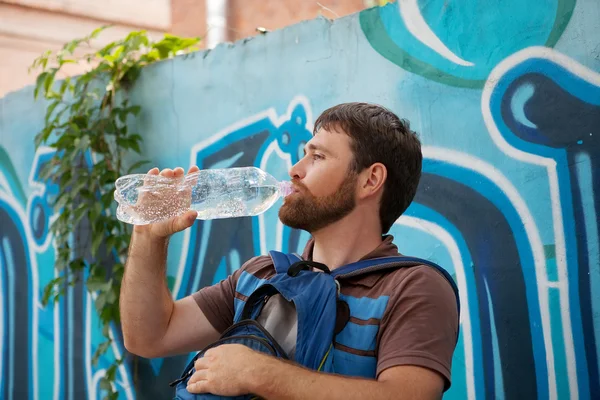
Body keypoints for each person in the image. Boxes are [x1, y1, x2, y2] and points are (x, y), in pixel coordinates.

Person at [120, 102, 459, 399]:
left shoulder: (414, 287)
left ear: (370, 180)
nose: (295, 170)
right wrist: (149, 238)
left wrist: (260, 373)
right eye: (302, 154)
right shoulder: (261, 274)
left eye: (318, 157)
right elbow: (150, 336)